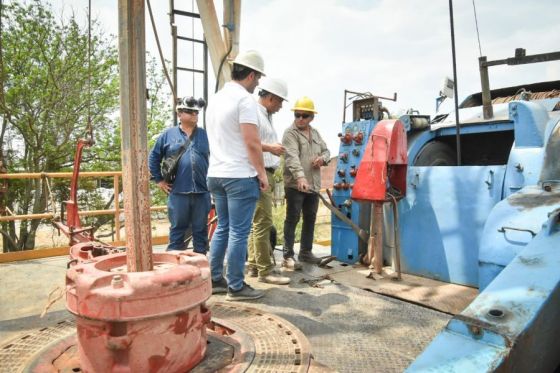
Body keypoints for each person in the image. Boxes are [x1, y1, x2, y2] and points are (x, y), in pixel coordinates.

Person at [206, 50, 268, 301]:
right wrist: (261, 173)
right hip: (239, 176)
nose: (259, 83)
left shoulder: (216, 99)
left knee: (223, 227)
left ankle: (214, 280)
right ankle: (236, 286)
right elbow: (252, 142)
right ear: (251, 75)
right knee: (239, 232)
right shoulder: (245, 101)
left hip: (216, 174)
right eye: (258, 78)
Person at [148, 96, 210, 254]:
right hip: (178, 192)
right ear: (179, 114)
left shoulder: (205, 135)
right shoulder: (168, 135)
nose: (194, 115)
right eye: (190, 112)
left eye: (196, 112)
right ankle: (175, 270)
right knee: (177, 232)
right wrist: (159, 180)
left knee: (201, 232)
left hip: (202, 192)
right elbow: (153, 157)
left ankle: (200, 269)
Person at [246, 77, 291, 285]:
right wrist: (272, 149)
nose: (281, 106)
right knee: (263, 222)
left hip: (263, 171)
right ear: (271, 98)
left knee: (256, 223)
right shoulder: (254, 112)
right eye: (280, 102)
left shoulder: (264, 115)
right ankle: (266, 271)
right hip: (260, 172)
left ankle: (255, 266)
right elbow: (249, 142)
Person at [281, 96, 330, 270]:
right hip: (296, 184)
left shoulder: (315, 133)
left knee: (310, 218)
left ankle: (306, 253)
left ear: (311, 117)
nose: (300, 119)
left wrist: (322, 159)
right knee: (292, 218)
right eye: (297, 115)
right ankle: (287, 256)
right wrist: (300, 178)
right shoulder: (290, 133)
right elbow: (291, 157)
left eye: (304, 115)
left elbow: (327, 151)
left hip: (313, 185)